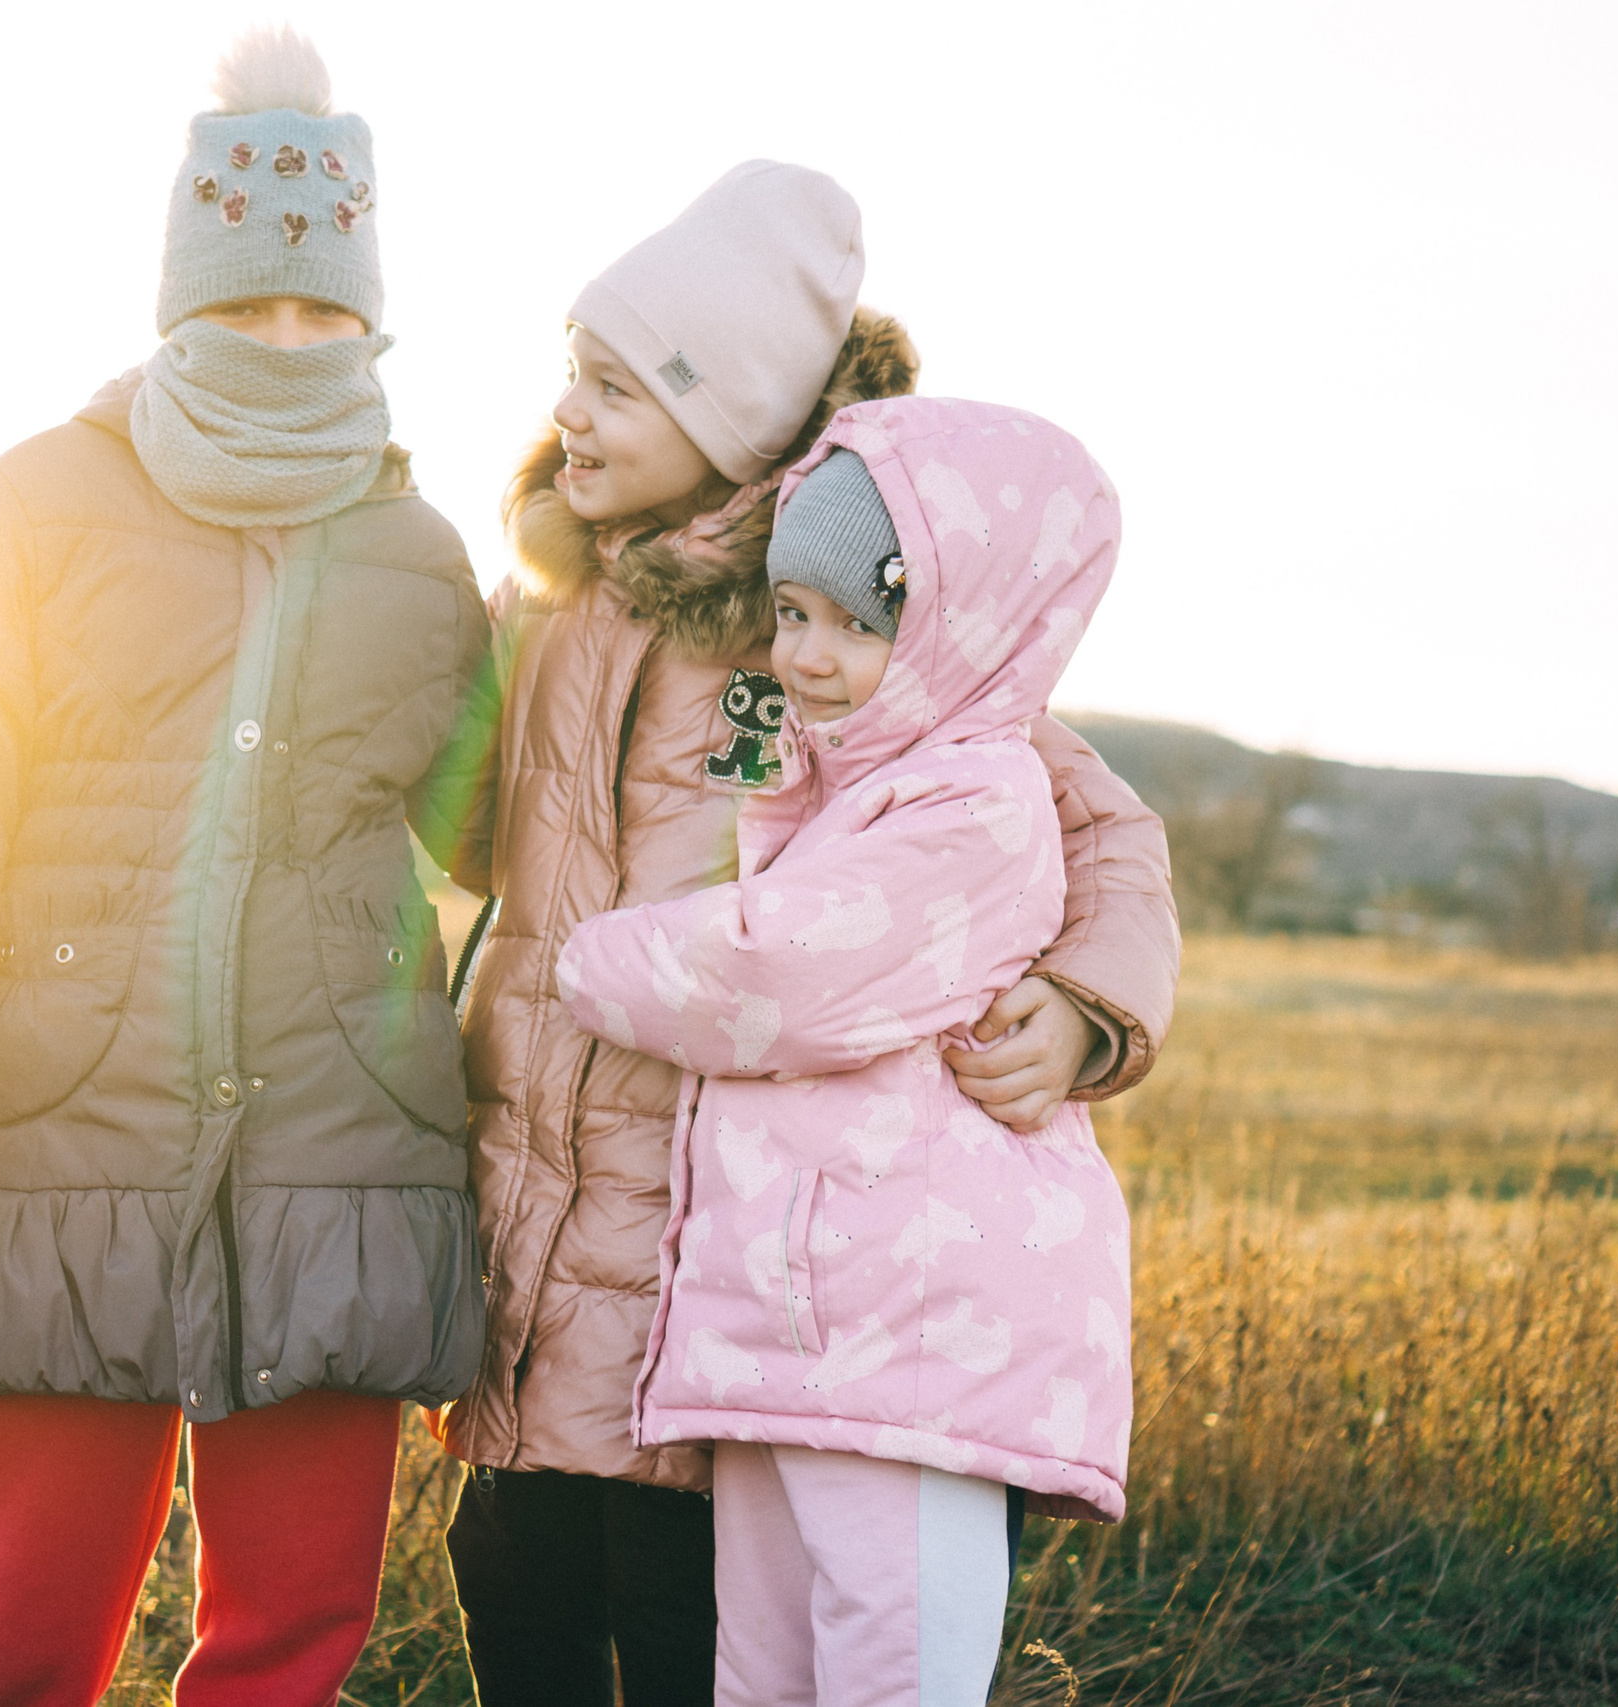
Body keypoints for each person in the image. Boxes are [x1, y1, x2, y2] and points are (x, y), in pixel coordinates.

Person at [0, 30, 491, 1705]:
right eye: (247, 308)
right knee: (20, 1647)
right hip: (65, 1172)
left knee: (294, 1646)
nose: (288, 344)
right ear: (178, 303)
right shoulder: (28, 510)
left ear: (373, 314)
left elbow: (500, 839)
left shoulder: (423, 548)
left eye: (324, 311)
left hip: (344, 1185)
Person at [433, 162, 1179, 1705]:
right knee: (512, 1567)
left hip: (721, 1238)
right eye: (571, 370)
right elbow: (462, 833)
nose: (570, 411)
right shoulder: (546, 610)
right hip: (537, 1194)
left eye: (621, 387)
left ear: (732, 418)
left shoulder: (842, 630)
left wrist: (1088, 1000)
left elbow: (1093, 826)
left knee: (690, 1614)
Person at [557, 396, 1136, 1705]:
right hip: (805, 1319)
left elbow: (779, 972)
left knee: (892, 1663)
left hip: (907, 1333)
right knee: (763, 1669)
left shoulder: (973, 802)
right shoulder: (846, 782)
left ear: (960, 631)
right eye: (793, 612)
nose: (808, 656)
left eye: (861, 626)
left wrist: (584, 960)